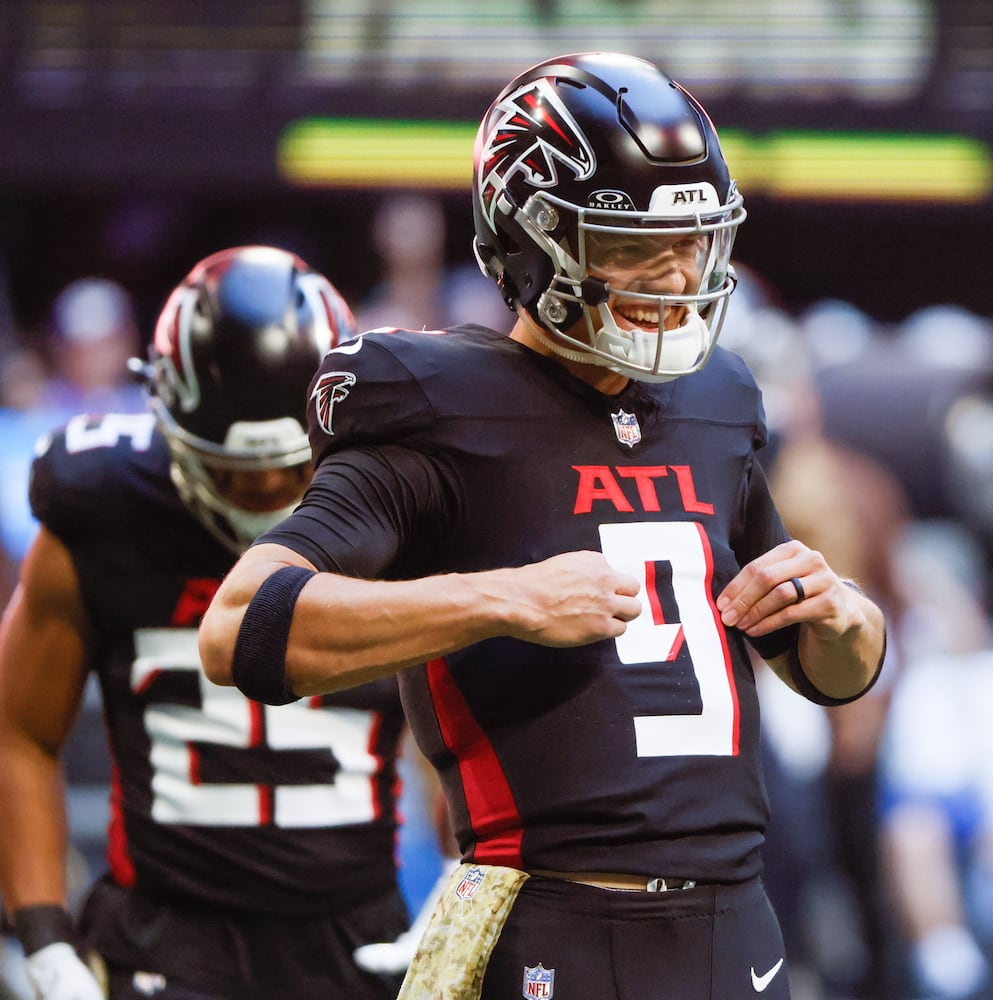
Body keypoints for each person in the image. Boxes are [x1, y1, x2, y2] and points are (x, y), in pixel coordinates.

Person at [197, 51, 886, 1000]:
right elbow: (241, 627)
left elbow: (827, 675)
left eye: (693, 241)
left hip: (737, 923)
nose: (680, 272)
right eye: (635, 244)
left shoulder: (716, 399)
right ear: (531, 242)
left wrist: (847, 618)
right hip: (549, 917)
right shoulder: (436, 403)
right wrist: (501, 599)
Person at [0, 246, 411, 1000]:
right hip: (165, 938)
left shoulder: (405, 501)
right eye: (231, 471)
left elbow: (484, 702)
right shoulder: (103, 505)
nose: (261, 496)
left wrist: (462, 874)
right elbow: (18, 730)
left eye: (291, 470)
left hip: (359, 934)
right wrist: (45, 935)